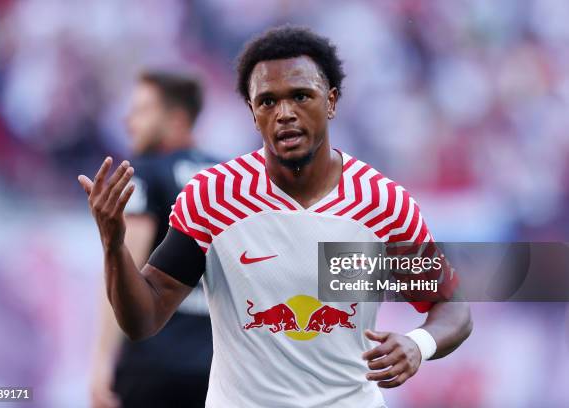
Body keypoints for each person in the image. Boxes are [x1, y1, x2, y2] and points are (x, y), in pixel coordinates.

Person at [79, 26, 472, 407]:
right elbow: (143, 318)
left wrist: (418, 344)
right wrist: (114, 247)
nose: (284, 113)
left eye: (301, 96)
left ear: (331, 101)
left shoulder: (382, 202)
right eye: (267, 101)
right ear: (252, 112)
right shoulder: (214, 196)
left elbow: (451, 306)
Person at [89, 71, 217, 408]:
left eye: (142, 110)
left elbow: (124, 270)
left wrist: (102, 359)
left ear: (176, 119)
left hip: (153, 366)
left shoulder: (143, 173)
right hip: (217, 371)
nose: (129, 120)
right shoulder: (225, 177)